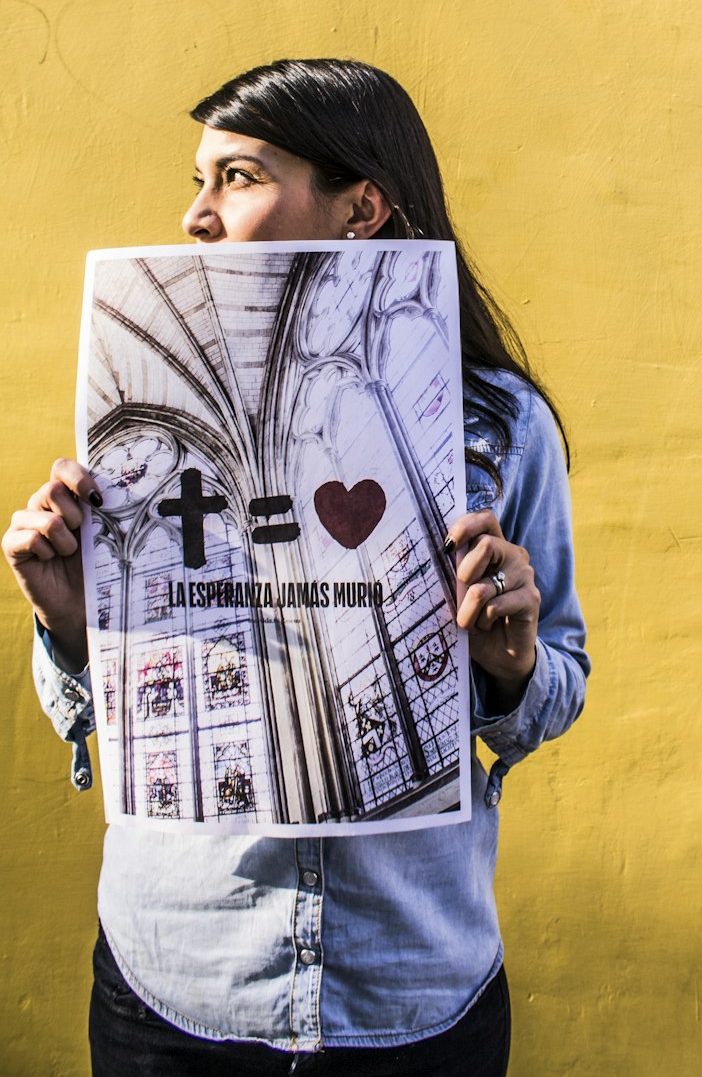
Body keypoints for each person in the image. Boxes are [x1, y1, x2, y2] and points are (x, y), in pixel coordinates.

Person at [2, 58, 589, 1076]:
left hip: (408, 981)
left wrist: (512, 667)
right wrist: (69, 626)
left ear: (360, 208)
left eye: (236, 176)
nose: (196, 213)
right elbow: (117, 710)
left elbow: (557, 689)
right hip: (182, 975)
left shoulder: (498, 426)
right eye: (199, 178)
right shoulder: (143, 416)